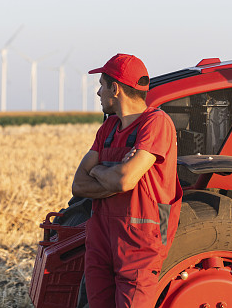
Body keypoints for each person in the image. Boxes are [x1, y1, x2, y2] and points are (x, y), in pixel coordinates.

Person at [72, 53, 182, 308]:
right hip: (101, 238)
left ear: (116, 88)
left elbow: (123, 181)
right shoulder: (107, 129)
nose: (99, 93)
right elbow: (78, 185)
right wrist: (113, 174)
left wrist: (98, 170)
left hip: (140, 244)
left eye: (101, 85)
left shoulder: (156, 124)